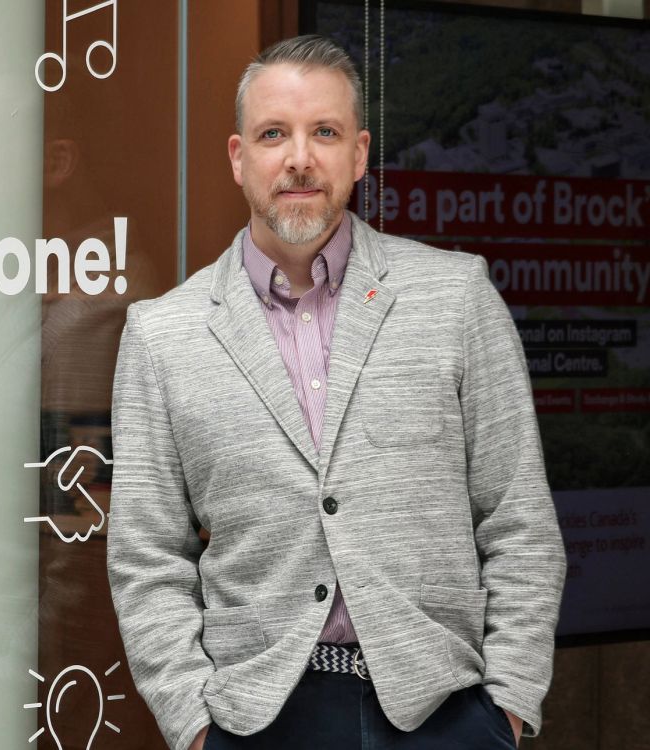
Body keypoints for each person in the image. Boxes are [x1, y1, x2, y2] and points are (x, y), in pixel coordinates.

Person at [105, 35, 567, 750]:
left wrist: (505, 707)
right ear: (237, 158)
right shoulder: (163, 335)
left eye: (324, 132)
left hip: (443, 717)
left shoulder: (455, 298)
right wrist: (193, 725)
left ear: (358, 154)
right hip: (253, 721)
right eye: (272, 134)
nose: (298, 158)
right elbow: (146, 557)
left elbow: (519, 522)